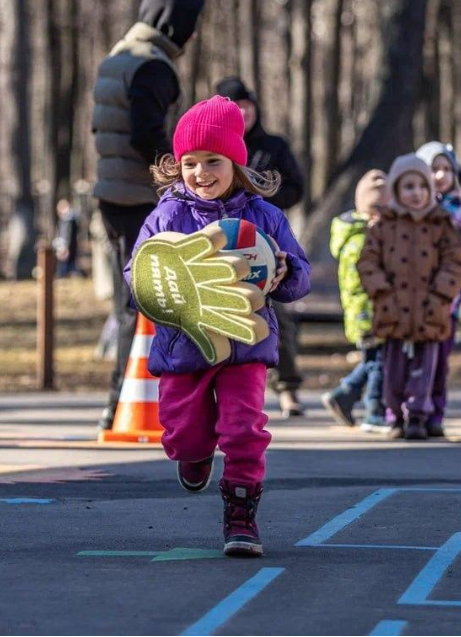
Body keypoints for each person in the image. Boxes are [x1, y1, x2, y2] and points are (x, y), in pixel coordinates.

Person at [124, 96, 310, 556]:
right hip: (184, 344)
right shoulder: (166, 216)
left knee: (245, 428)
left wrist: (284, 273)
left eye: (213, 161)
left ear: (236, 162)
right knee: (183, 432)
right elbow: (137, 274)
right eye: (190, 162)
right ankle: (194, 452)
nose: (201, 172)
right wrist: (157, 286)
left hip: (245, 343)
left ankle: (241, 514)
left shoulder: (264, 217)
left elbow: (299, 274)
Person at [92, 0, 205, 431]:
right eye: (190, 27)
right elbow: (144, 135)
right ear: (173, 25)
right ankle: (129, 401)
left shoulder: (118, 55)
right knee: (147, 303)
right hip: (141, 199)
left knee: (130, 303)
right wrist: (178, 177)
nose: (193, 37)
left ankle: (121, 402)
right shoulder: (152, 66)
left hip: (112, 193)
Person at [356, 154, 461, 440]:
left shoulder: (442, 224)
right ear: (396, 190)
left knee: (426, 368)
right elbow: (367, 262)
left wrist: (441, 293)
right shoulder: (384, 225)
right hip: (393, 310)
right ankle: (396, 416)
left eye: (421, 186)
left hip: (430, 310)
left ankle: (419, 416)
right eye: (408, 187)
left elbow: (455, 262)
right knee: (393, 370)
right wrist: (381, 291)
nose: (416, 193)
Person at [215, 76, 307, 416]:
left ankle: (288, 387)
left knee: (277, 314)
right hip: (219, 243)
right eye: (235, 107)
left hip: (266, 240)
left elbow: (296, 187)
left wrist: (261, 197)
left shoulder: (273, 146)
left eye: (247, 106)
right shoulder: (214, 149)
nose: (243, 112)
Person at [416, 141, 461, 436]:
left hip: (448, 303)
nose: (441, 175)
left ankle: (435, 414)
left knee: (440, 362)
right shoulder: (411, 209)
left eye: (447, 169)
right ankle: (411, 411)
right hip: (413, 301)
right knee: (413, 360)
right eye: (434, 169)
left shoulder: (460, 214)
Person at [321, 170, 388, 430]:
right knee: (379, 362)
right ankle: (374, 411)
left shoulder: (359, 235)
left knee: (373, 360)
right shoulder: (361, 241)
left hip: (366, 310)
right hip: (368, 311)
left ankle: (344, 396)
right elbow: (361, 281)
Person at [54, 198, 82, 278]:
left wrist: (65, 247)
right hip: (66, 246)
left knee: (67, 265)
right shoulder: (64, 220)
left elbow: (67, 235)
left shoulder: (69, 221)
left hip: (67, 247)